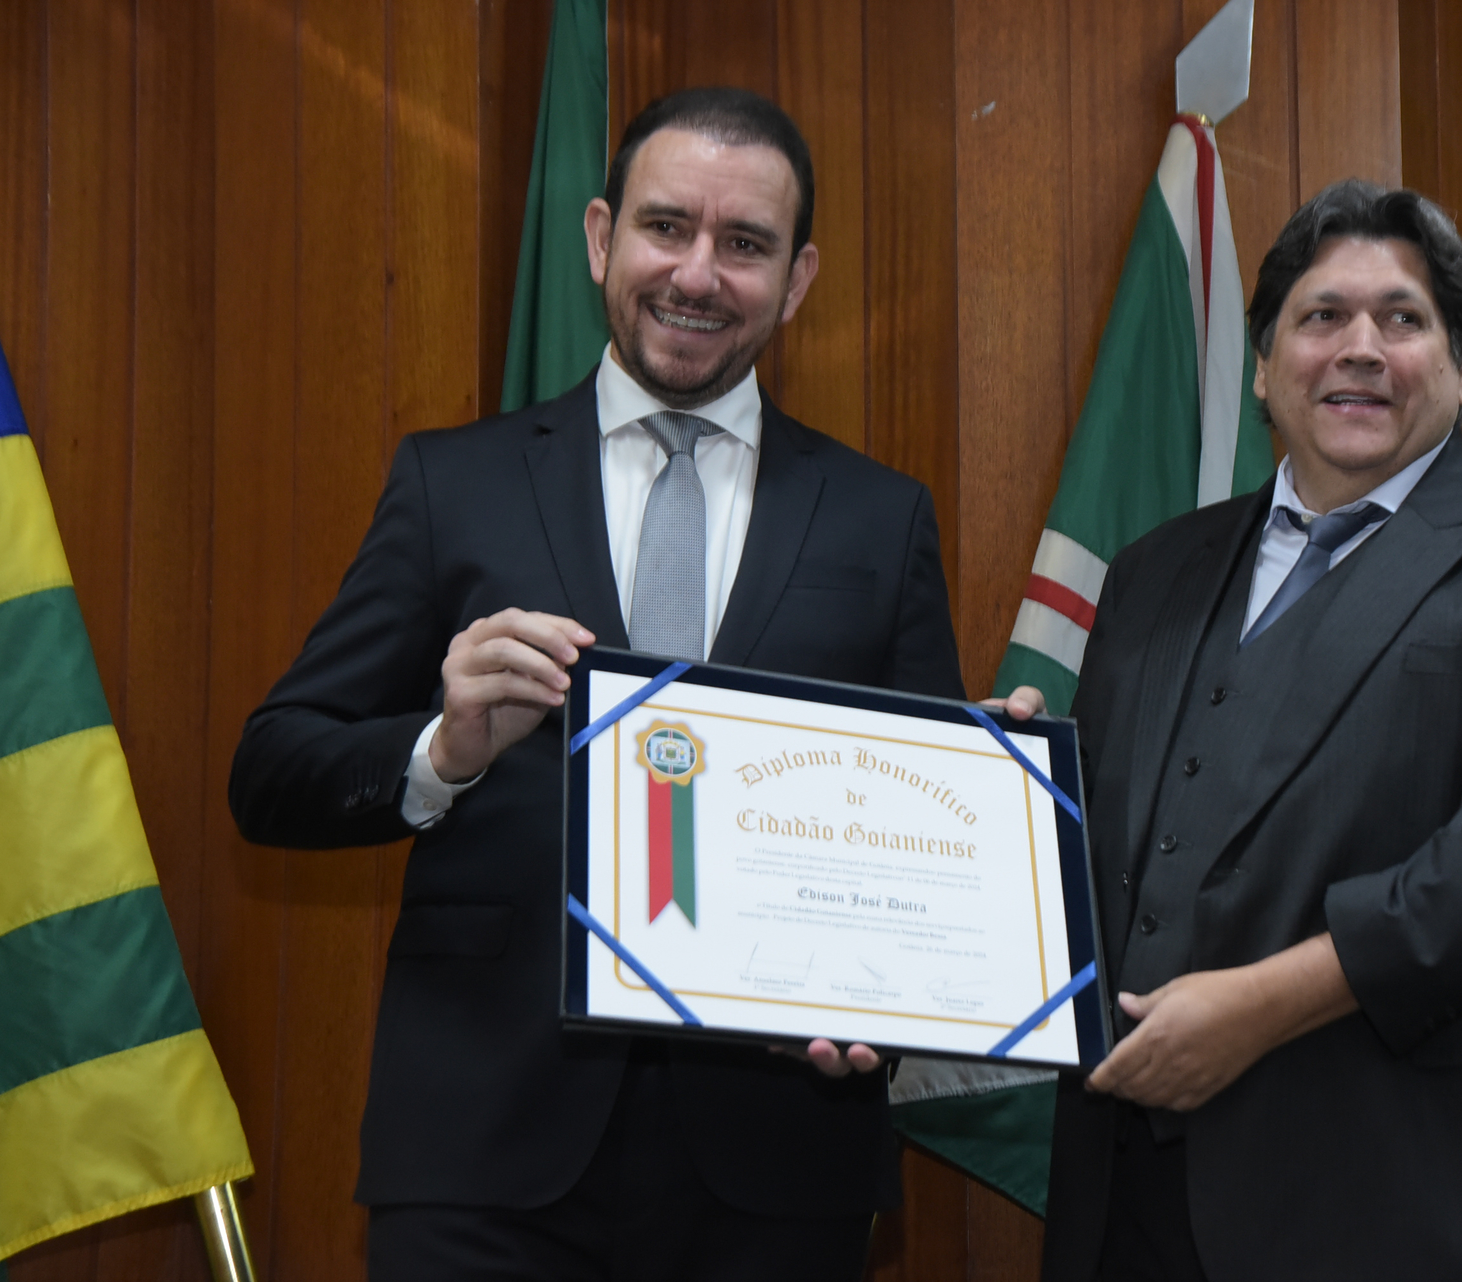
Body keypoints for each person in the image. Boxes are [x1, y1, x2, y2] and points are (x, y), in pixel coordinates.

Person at [229, 87, 963, 1280]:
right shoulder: (452, 485)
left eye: (745, 243)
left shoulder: (883, 520)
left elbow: (920, 843)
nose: (697, 274)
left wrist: (977, 816)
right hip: (482, 1155)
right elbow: (272, 770)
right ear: (600, 237)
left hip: (779, 1165)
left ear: (798, 278)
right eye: (666, 226)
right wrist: (441, 753)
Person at [1005, 179, 1462, 1280]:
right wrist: (1008, 790)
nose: (1360, 348)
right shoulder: (1151, 574)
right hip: (1134, 1206)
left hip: (1432, 1202)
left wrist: (1264, 1006)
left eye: (1403, 319)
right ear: (1265, 368)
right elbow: (1123, 853)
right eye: (1322, 315)